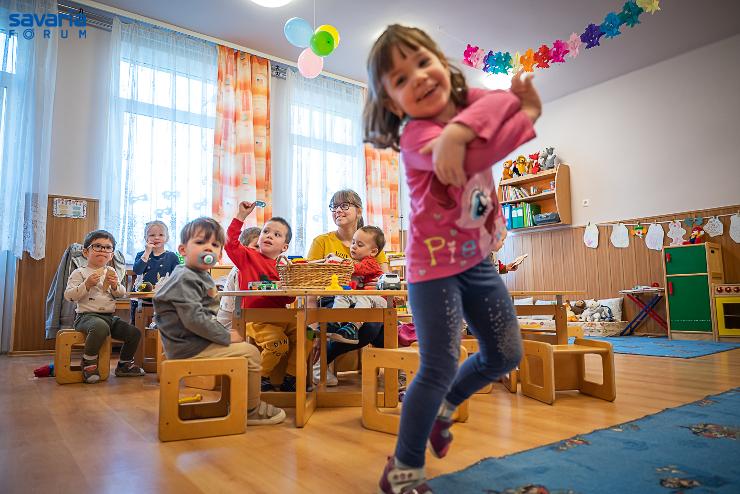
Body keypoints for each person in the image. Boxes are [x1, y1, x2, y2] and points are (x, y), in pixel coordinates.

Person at [363, 24, 541, 492]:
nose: (420, 77)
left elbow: (499, 100)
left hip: (477, 260)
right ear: (393, 104)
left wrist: (462, 128)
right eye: (401, 79)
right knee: (438, 365)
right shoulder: (415, 136)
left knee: (506, 353)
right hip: (433, 270)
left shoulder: (466, 105)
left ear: (442, 62)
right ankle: (402, 468)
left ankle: (446, 407)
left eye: (423, 62)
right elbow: (478, 154)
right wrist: (524, 117)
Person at [153, 217, 286, 425]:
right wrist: (224, 335)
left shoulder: (198, 275)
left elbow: (203, 316)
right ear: (183, 250)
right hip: (188, 347)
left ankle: (243, 400)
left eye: (215, 245)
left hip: (191, 343)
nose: (208, 248)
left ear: (220, 254)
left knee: (247, 349)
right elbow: (194, 319)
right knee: (250, 353)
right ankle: (251, 409)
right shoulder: (186, 277)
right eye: (200, 242)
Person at [306, 189, 389, 386]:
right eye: (334, 206)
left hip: (364, 300)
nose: (338, 210)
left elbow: (386, 279)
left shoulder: (371, 240)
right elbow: (310, 285)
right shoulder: (322, 241)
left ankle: (392, 371)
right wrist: (313, 326)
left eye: (344, 205)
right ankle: (322, 361)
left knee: (380, 324)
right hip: (332, 300)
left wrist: (378, 282)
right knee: (372, 325)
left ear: (359, 211)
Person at [226, 201, 309, 392]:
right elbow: (230, 244)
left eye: (276, 234)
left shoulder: (285, 267)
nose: (269, 235)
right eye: (266, 231)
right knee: (279, 343)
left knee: (310, 334)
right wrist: (241, 216)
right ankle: (260, 378)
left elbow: (288, 299)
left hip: (282, 318)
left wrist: (288, 288)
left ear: (284, 247)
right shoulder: (248, 256)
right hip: (257, 320)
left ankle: (291, 377)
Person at [64, 230, 145, 383]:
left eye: (107, 248)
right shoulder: (79, 273)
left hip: (108, 317)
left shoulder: (111, 271)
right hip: (86, 317)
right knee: (100, 327)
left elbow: (120, 293)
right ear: (86, 252)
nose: (103, 250)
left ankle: (124, 365)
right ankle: (88, 362)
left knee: (134, 332)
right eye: (97, 246)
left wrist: (115, 286)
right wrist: (86, 284)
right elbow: (69, 296)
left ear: (111, 255)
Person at [329, 226, 387, 344]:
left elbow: (355, 268)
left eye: (360, 245)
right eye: (353, 242)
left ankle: (354, 326)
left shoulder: (370, 262)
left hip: (380, 301)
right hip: (365, 298)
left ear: (373, 252)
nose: (354, 246)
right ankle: (334, 322)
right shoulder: (358, 261)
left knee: (364, 296)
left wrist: (339, 260)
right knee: (343, 294)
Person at [131, 220, 181, 322]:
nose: (156, 238)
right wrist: (147, 252)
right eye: (152, 235)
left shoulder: (172, 256)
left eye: (161, 235)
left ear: (167, 238)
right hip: (143, 297)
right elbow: (137, 270)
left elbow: (177, 277)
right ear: (146, 238)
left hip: (164, 297)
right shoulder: (141, 255)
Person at [216, 226, 260, 335]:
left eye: (262, 246)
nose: (260, 250)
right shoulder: (241, 268)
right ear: (243, 248)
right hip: (230, 324)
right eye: (256, 246)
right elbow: (242, 300)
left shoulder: (255, 266)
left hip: (242, 317)